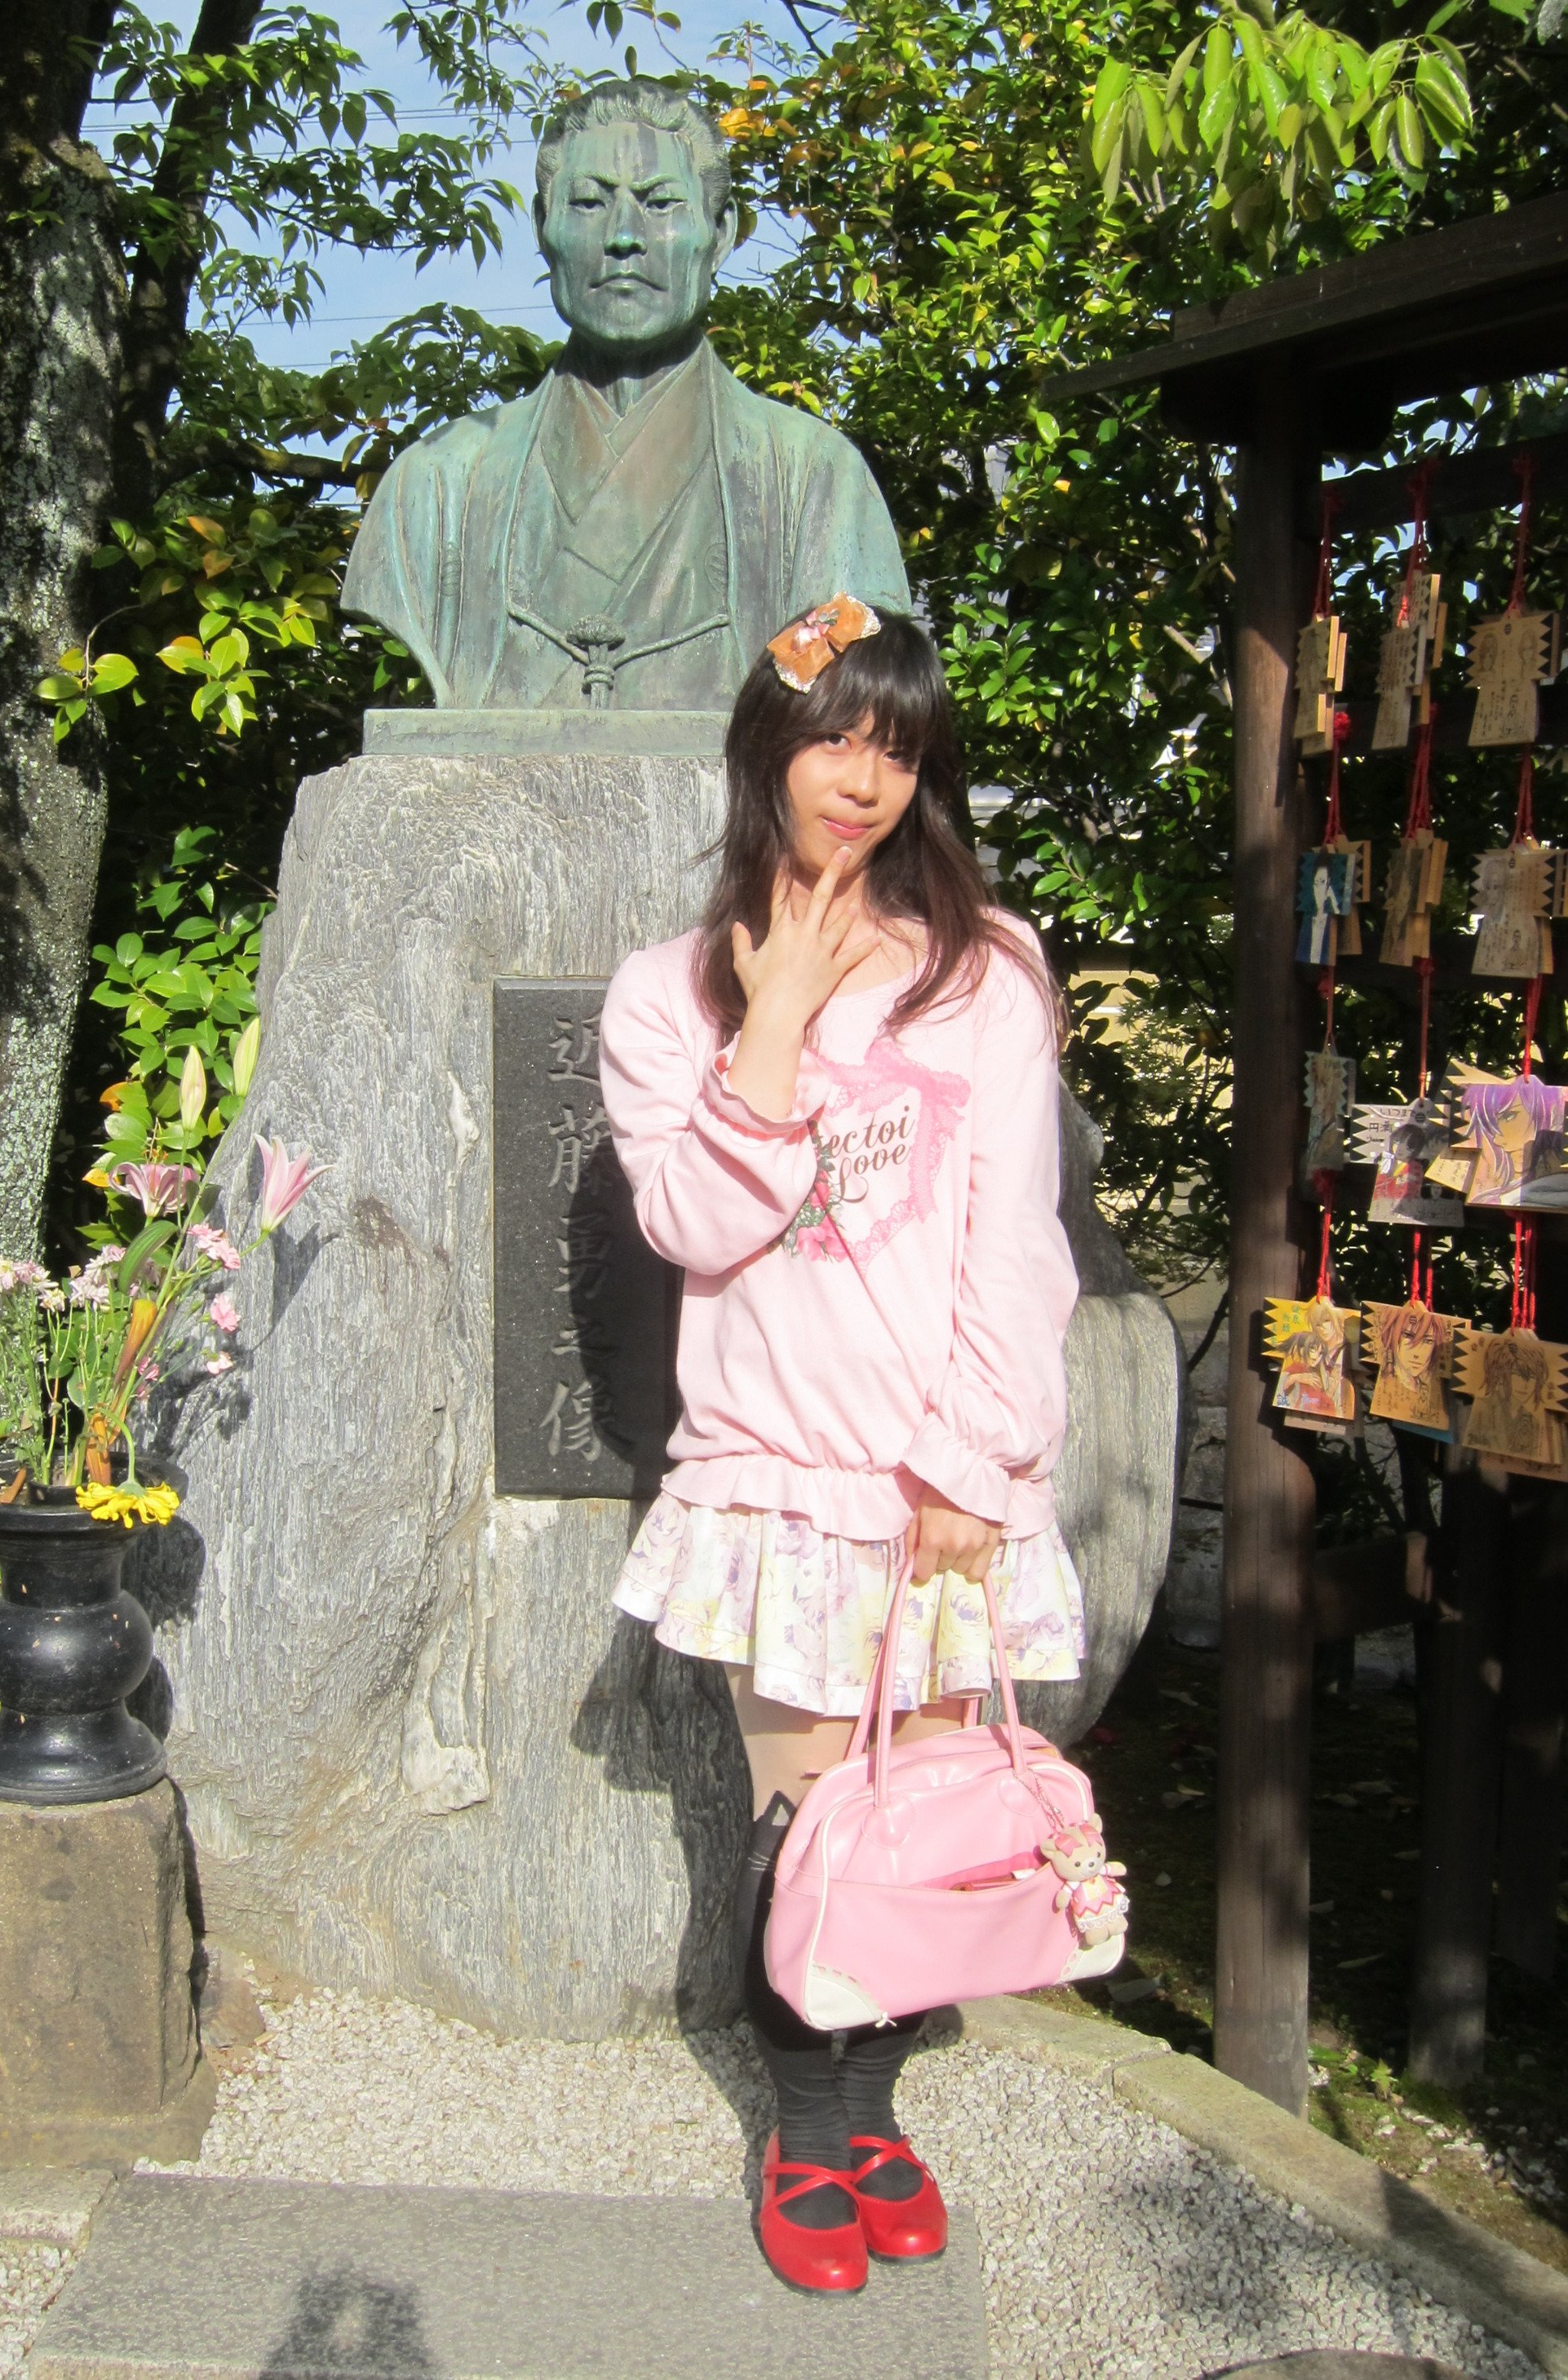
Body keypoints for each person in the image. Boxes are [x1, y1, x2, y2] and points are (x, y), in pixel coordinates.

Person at [598, 598, 1083, 2293]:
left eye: (893, 746)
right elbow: (692, 1224)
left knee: (923, 1813)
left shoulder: (983, 968)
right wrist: (776, 1021)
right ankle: (805, 2137)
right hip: (782, 1479)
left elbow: (1015, 1235)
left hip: (945, 1478)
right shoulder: (666, 993)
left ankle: (873, 2113)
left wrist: (969, 1461)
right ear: (768, 752)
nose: (861, 778)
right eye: (830, 740)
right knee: (813, 1823)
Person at [341, 82, 908, 710]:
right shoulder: (434, 487)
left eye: (661, 204)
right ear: (544, 228)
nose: (624, 237)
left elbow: (849, 703)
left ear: (719, 234)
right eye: (588, 203)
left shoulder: (818, 480)